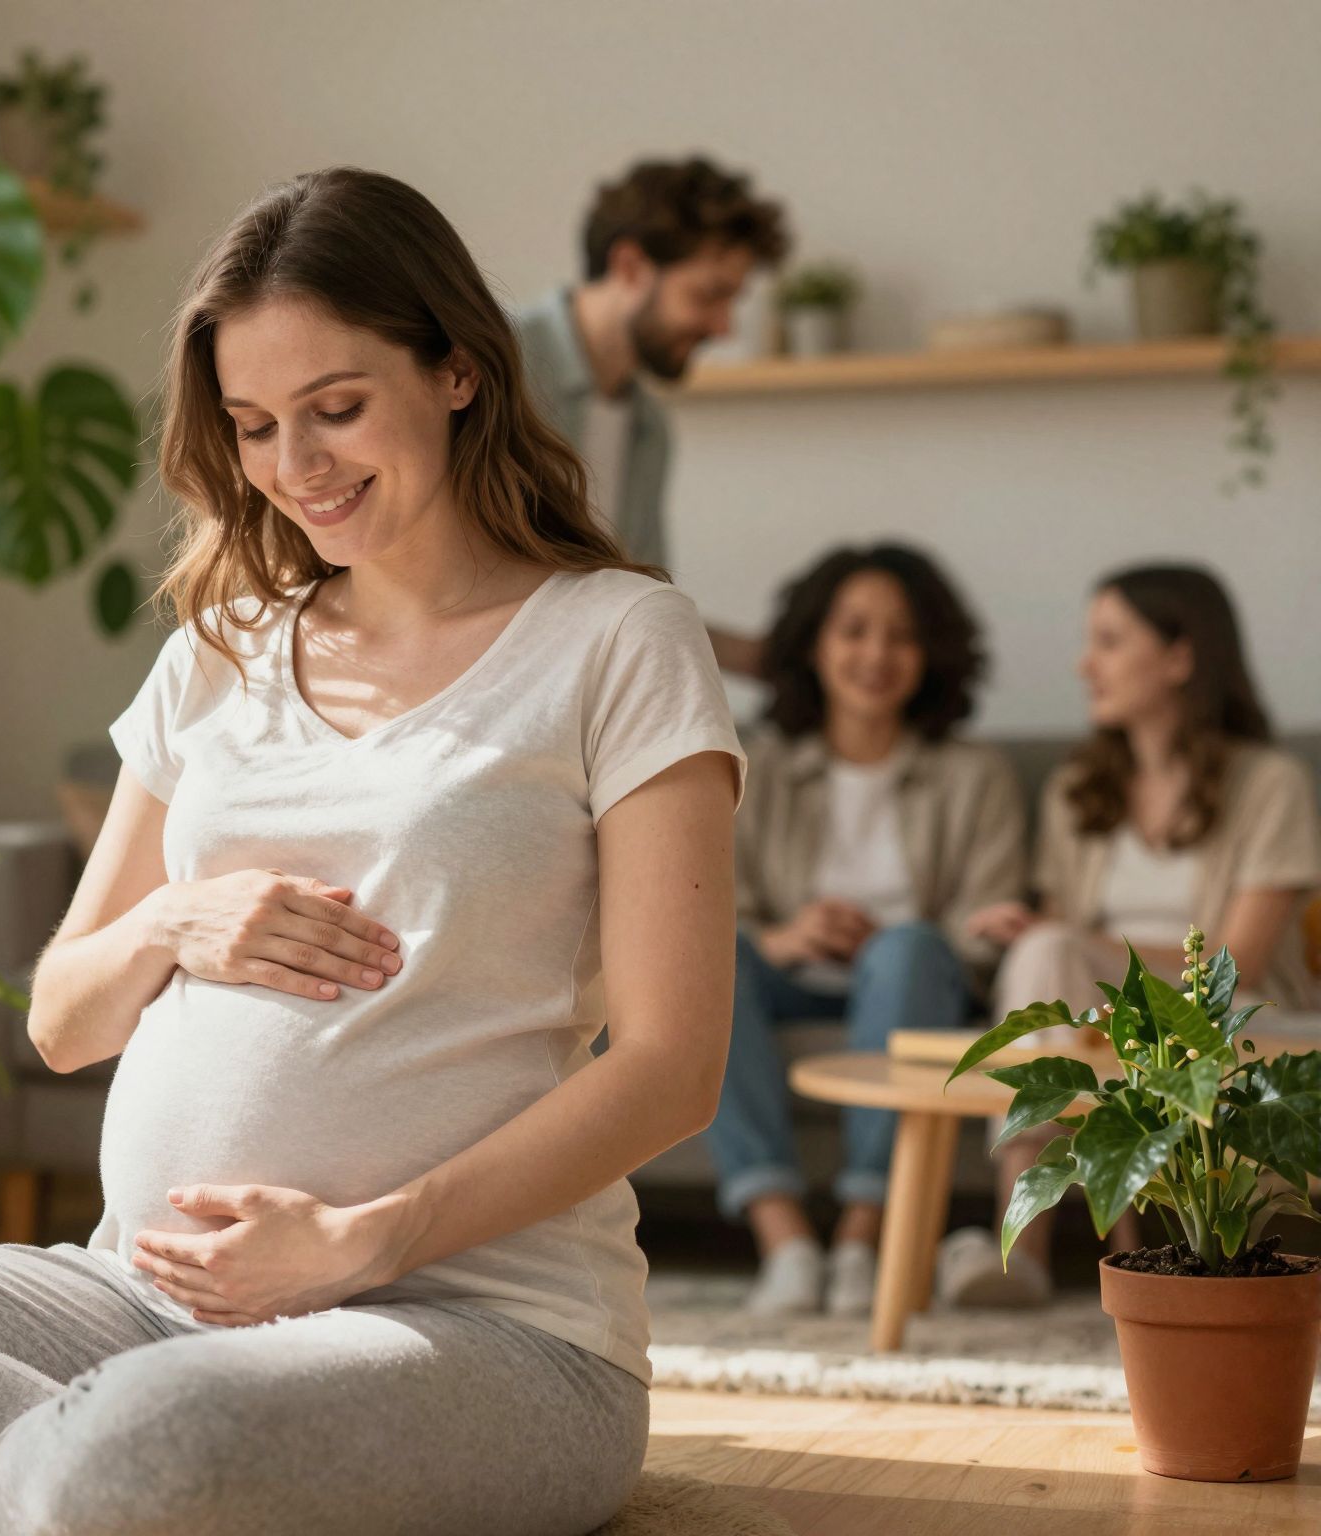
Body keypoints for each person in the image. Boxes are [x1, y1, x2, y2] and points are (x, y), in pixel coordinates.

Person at [0, 166, 745, 1536]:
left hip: (474, 1326)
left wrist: (364, 1238)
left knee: (160, 1438)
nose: (299, 468)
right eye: (256, 426)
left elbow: (672, 1069)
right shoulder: (217, 654)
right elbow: (59, 1020)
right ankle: (63, 1484)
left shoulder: (617, 640)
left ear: (457, 371)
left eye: (338, 408)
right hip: (136, 1303)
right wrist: (178, 922)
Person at [938, 564, 1321, 1307]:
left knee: (1051, 950)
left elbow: (1230, 969)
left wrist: (1071, 942)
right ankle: (1095, 1247)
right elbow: (1061, 944)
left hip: (1228, 1020)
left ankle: (1026, 1241)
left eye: (1110, 641)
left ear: (1181, 657)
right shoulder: (1077, 787)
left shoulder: (1270, 783)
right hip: (1098, 1016)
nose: (1086, 664)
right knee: (1043, 954)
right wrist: (1045, 937)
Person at [720, 545, 1024, 1316]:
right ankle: (782, 1239)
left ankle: (863, 1238)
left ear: (932, 654)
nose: (877, 655)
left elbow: (988, 923)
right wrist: (785, 937)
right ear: (815, 646)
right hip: (789, 983)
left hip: (918, 985)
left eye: (902, 635)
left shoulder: (975, 774)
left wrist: (898, 939)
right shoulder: (757, 768)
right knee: (705, 957)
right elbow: (709, 904)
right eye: (854, 631)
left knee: (908, 948)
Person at [512, 155, 789, 676]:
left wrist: (774, 658)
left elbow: (634, 607)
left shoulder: (649, 428)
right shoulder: (492, 361)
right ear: (632, 267)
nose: (724, 327)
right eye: (709, 295)